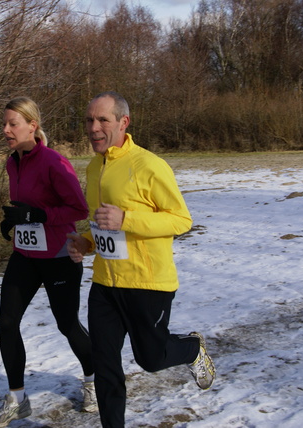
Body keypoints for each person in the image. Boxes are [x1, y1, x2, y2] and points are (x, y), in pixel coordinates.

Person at [66, 91, 216, 428]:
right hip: (105, 284)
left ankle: (191, 349)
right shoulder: (93, 166)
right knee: (105, 365)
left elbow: (180, 220)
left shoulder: (149, 165)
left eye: (102, 119)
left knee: (151, 358)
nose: (93, 127)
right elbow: (102, 221)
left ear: (123, 122)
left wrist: (127, 220)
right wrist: (86, 242)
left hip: (147, 283)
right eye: (89, 120)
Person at [0, 97, 96, 427]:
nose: (5, 130)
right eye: (4, 124)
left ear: (32, 126)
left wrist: (39, 214)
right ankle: (17, 398)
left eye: (12, 124)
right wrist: (14, 221)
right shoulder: (11, 162)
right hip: (25, 255)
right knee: (6, 323)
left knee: (67, 324)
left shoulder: (54, 162)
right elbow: (24, 206)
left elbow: (79, 210)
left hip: (60, 256)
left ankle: (93, 380)